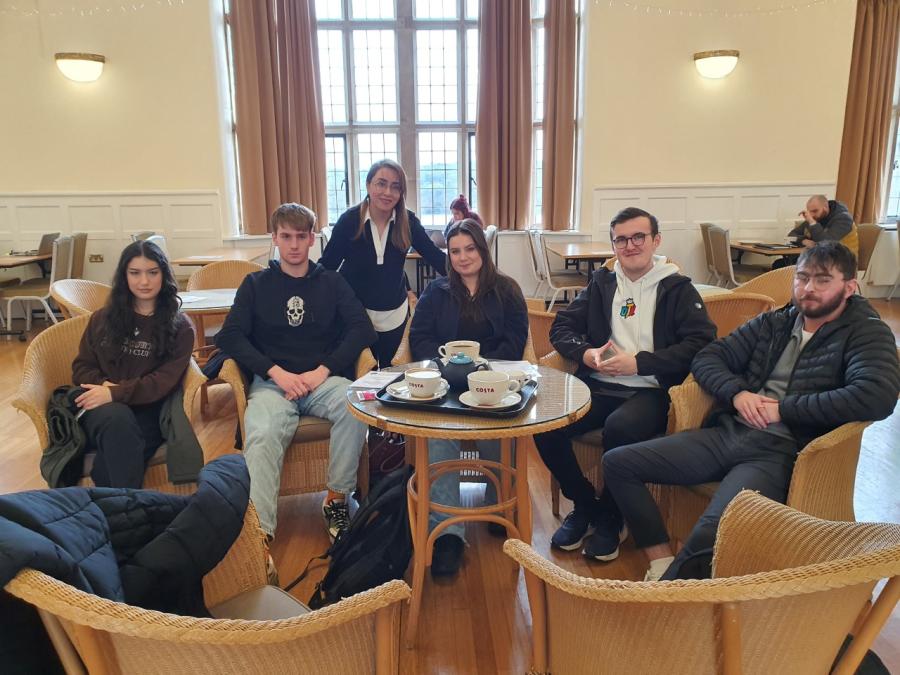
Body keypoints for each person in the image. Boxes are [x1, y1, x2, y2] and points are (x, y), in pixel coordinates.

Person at [603, 241, 900, 582]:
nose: (808, 289)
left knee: (713, 529)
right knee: (618, 463)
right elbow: (708, 357)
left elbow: (876, 396)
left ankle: (670, 604)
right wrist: (738, 393)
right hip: (729, 432)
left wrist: (784, 410)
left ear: (850, 287)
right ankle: (660, 562)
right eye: (802, 278)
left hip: (781, 450)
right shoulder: (775, 322)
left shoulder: (866, 332)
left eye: (822, 280)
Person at [533, 207, 717, 561]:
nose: (630, 246)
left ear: (655, 240)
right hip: (598, 386)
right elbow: (561, 328)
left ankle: (613, 517)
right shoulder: (602, 284)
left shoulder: (677, 288)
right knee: (545, 423)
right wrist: (586, 354)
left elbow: (701, 344)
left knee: (620, 428)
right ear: (613, 244)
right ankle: (589, 506)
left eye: (638, 237)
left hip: (648, 390)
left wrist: (640, 362)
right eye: (621, 239)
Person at [216, 203, 377, 541]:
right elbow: (230, 335)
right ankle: (261, 534)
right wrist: (275, 372)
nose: (293, 245)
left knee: (357, 404)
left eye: (300, 237)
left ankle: (336, 500)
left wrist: (324, 370)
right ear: (274, 238)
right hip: (273, 386)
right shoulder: (255, 284)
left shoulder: (332, 283)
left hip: (321, 381)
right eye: (285, 236)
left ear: (312, 239)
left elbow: (362, 329)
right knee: (261, 432)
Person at [409, 219, 529, 576]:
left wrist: (481, 366)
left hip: (494, 382)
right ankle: (448, 532)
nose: (463, 258)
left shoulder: (507, 289)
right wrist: (451, 365)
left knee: (493, 425)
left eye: (470, 249)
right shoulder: (437, 291)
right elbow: (420, 339)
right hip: (447, 382)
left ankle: (493, 505)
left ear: (482, 249)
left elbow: (515, 340)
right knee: (440, 434)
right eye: (455, 251)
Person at [71, 240, 196, 488]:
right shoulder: (102, 319)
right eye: (135, 273)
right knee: (118, 420)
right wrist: (105, 389)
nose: (144, 282)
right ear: (124, 276)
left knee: (117, 454)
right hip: (97, 404)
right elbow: (82, 367)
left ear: (164, 275)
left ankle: (113, 518)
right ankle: (129, 519)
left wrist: (115, 393)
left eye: (152, 272)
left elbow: (162, 383)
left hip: (148, 409)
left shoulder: (181, 328)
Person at [321, 159, 447, 367]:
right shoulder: (350, 221)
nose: (388, 192)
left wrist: (471, 273)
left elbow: (434, 256)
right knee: (360, 376)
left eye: (395, 187)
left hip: (394, 312)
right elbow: (327, 266)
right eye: (381, 183)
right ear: (369, 185)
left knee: (391, 377)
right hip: (354, 314)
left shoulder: (408, 222)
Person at [775, 195, 858, 268]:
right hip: (818, 258)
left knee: (790, 268)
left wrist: (812, 223)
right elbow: (791, 235)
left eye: (815, 211)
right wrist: (804, 241)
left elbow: (826, 243)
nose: (811, 215)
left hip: (840, 262)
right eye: (809, 211)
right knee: (780, 265)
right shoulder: (817, 217)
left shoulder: (843, 219)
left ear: (825, 207)